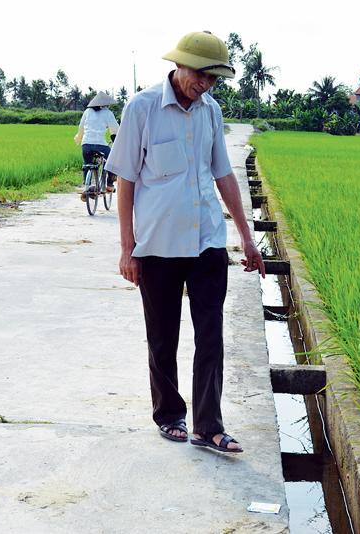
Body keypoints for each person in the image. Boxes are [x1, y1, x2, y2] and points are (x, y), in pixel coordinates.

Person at [105, 31, 265, 454]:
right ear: (179, 65)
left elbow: (223, 175)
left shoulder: (210, 110)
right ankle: (170, 414)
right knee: (163, 337)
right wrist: (127, 247)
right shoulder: (142, 108)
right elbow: (125, 179)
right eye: (201, 75)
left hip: (207, 241)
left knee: (211, 335)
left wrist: (245, 237)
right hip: (157, 246)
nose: (205, 85)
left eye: (213, 79)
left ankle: (208, 425)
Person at [74, 91, 120, 196]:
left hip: (86, 144)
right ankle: (109, 185)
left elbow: (81, 129)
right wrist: (115, 139)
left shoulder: (87, 112)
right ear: (105, 104)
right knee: (113, 161)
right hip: (101, 145)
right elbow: (115, 129)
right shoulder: (108, 113)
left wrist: (79, 139)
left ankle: (87, 186)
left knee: (87, 164)